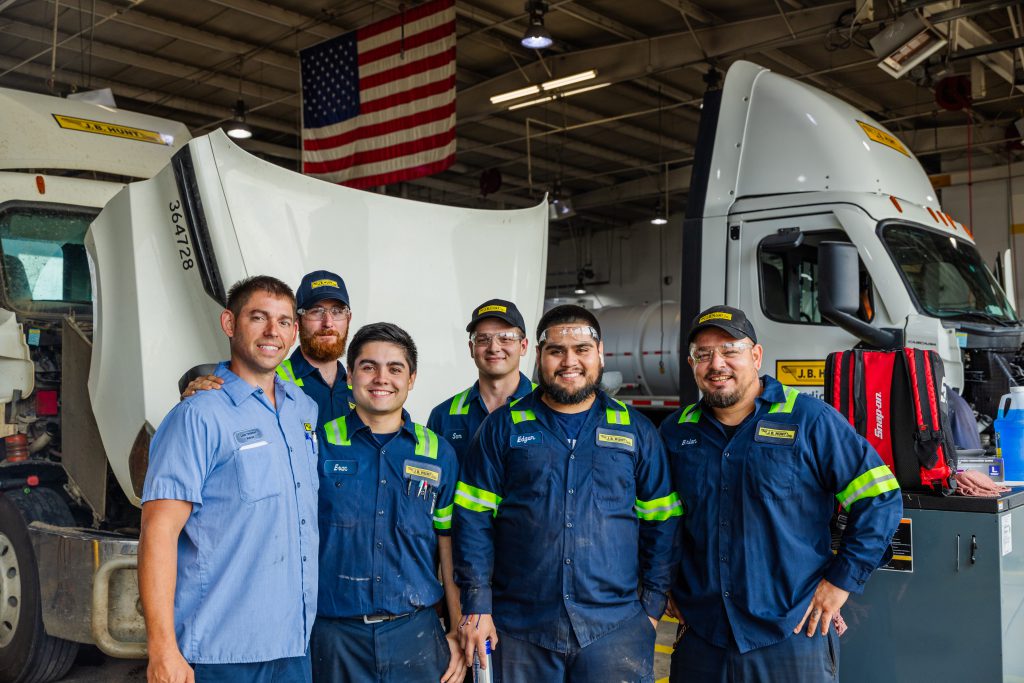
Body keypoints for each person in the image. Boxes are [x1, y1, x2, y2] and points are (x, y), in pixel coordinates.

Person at [661, 305, 903, 683]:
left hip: (793, 634)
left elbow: (880, 497)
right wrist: (664, 583)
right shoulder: (676, 433)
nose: (716, 364)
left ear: (756, 355)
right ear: (692, 363)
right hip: (703, 638)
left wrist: (840, 582)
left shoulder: (809, 420)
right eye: (703, 354)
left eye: (730, 350)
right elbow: (660, 520)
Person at [454, 304, 681, 683]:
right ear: (539, 356)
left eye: (581, 350)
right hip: (520, 629)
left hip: (615, 631)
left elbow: (662, 520)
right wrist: (478, 605)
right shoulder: (502, 428)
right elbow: (473, 520)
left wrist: (651, 609)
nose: (569, 361)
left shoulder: (635, 432)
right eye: (556, 350)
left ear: (600, 354)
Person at [139, 275, 319, 683]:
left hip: (293, 646)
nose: (273, 331)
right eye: (258, 317)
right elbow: (158, 532)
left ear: (294, 332)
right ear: (229, 323)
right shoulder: (197, 415)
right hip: (220, 653)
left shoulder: (303, 412)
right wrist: (162, 649)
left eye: (284, 321)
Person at [311, 322, 466, 683]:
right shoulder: (318, 445)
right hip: (334, 637)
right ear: (350, 376)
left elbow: (449, 545)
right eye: (369, 367)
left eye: (395, 368)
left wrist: (457, 630)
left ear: (411, 379)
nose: (382, 378)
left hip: (415, 635)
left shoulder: (437, 452)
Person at [182, 269, 354, 424]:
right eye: (316, 311)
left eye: (337, 311)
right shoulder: (268, 379)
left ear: (349, 319)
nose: (328, 323)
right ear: (297, 322)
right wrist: (202, 397)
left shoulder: (362, 387)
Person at [427, 299, 534, 463]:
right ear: (471, 348)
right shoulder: (443, 416)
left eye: (506, 338)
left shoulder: (547, 406)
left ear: (523, 346)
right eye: (483, 339)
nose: (494, 348)